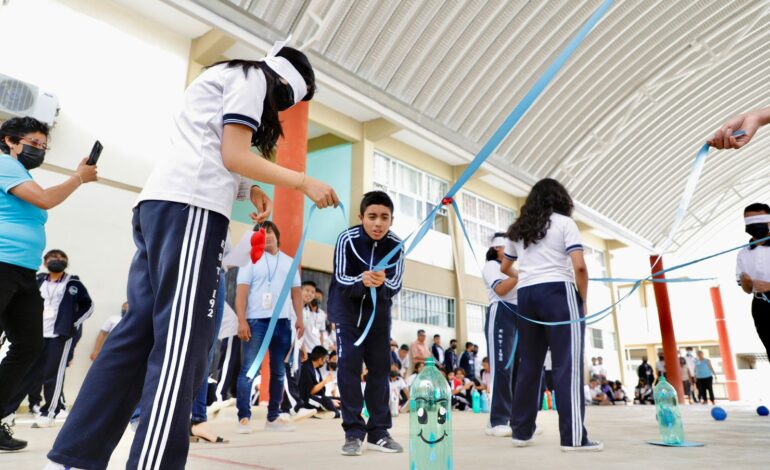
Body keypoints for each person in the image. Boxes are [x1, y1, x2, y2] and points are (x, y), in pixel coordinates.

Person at [47, 43, 338, 469]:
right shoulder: (252, 79)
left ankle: (74, 456)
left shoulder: (222, 77)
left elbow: (212, 148)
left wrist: (247, 188)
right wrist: (301, 181)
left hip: (160, 208)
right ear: (286, 87)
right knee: (183, 347)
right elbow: (233, 153)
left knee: (136, 336)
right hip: (193, 213)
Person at [0, 117, 97, 451]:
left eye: (44, 145)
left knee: (29, 345)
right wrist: (78, 178)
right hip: (1, 265)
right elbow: (44, 200)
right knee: (27, 345)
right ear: (10, 141)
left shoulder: (21, 173)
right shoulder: (3, 164)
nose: (39, 150)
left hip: (23, 273)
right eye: (33, 143)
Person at [502, 178, 602, 452]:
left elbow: (505, 267)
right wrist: (582, 299)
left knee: (529, 365)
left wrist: (525, 275)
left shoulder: (517, 230)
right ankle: (573, 438)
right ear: (560, 199)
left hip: (527, 296)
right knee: (566, 365)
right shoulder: (564, 223)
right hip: (558, 292)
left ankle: (521, 432)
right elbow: (579, 268)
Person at [329, 190, 404, 456]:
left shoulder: (396, 244)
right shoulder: (347, 240)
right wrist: (361, 281)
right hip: (348, 316)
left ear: (391, 220)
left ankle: (379, 431)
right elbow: (339, 277)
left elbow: (396, 283)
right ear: (362, 217)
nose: (378, 223)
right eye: (372, 216)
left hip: (379, 319)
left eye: (384, 217)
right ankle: (353, 432)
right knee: (348, 370)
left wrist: (382, 283)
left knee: (381, 370)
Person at [3, 249, 94, 428]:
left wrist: (73, 323)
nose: (57, 260)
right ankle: (8, 411)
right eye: (53, 257)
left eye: (61, 258)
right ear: (45, 262)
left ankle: (50, 412)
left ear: (67, 261)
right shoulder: (37, 281)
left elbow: (88, 306)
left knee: (53, 373)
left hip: (59, 335)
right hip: (36, 333)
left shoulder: (73, 283)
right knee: (25, 373)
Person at [235, 221, 304, 433]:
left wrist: (300, 319)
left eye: (270, 232)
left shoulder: (289, 262)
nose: (266, 237)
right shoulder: (250, 261)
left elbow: (296, 294)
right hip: (256, 322)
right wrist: (241, 320)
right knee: (249, 370)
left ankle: (272, 418)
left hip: (282, 323)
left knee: (278, 372)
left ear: (277, 234)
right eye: (261, 234)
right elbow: (242, 293)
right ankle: (243, 418)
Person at [481, 233, 519, 437]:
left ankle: (518, 418)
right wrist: (518, 275)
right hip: (501, 312)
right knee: (502, 367)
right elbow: (502, 289)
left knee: (519, 369)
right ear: (497, 248)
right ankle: (497, 419)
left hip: (519, 315)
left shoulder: (516, 268)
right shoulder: (492, 266)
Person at [736, 203, 770, 357]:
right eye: (750, 222)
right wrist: (747, 284)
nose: (754, 225)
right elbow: (746, 289)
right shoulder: (743, 253)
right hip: (760, 305)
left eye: (759, 220)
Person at [299, 346, 340, 418]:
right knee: (327, 401)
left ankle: (332, 411)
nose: (325, 361)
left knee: (339, 400)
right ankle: (335, 413)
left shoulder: (316, 369)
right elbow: (311, 391)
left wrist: (332, 400)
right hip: (307, 399)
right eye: (325, 358)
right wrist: (325, 381)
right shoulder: (306, 369)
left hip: (317, 397)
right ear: (320, 358)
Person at [302, 280, 327, 357]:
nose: (317, 299)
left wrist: (321, 347)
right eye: (315, 297)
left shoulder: (322, 314)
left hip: (316, 349)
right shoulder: (304, 310)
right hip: (306, 348)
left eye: (319, 298)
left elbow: (321, 333)